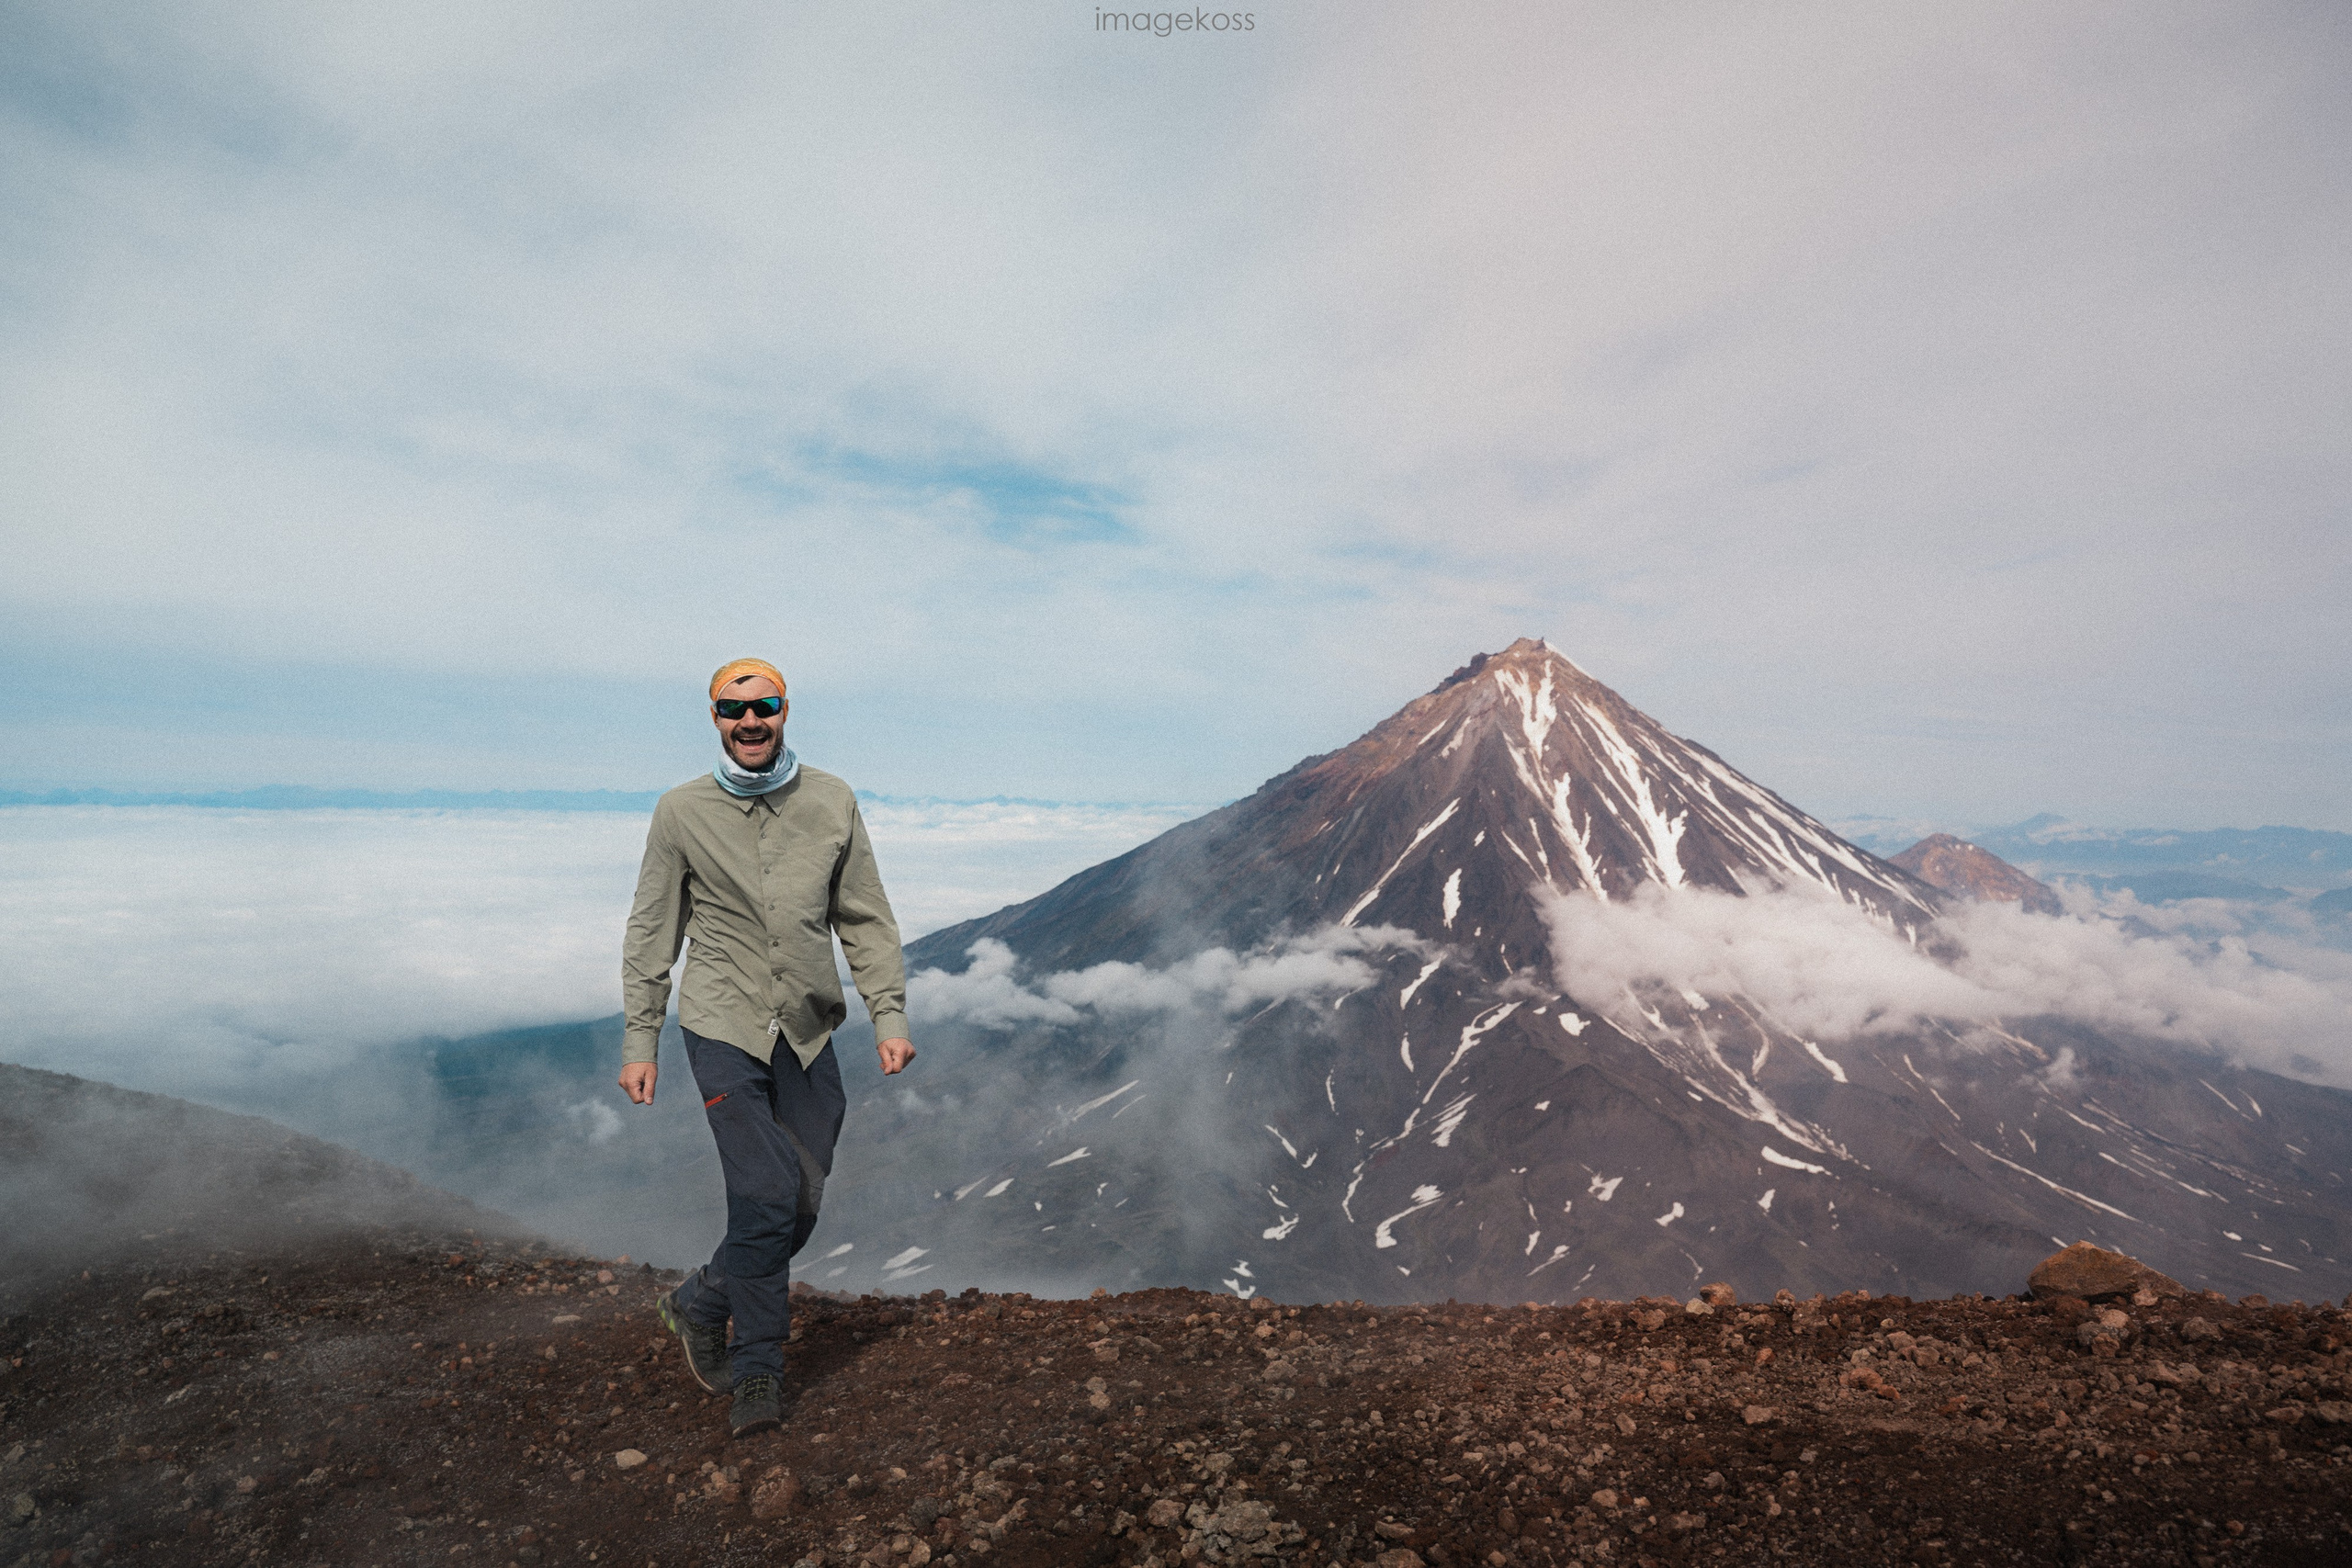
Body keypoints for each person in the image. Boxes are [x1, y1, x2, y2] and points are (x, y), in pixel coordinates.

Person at [618, 657, 915, 1438]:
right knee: (763, 1194)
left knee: (803, 1200)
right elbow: (654, 929)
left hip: (809, 1030)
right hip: (721, 1025)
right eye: (732, 708)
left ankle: (698, 1301)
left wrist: (888, 1017)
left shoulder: (831, 800)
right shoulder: (680, 812)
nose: (750, 721)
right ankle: (758, 1370)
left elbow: (865, 917)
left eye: (765, 705)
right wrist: (639, 1037)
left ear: (786, 711)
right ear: (714, 717)